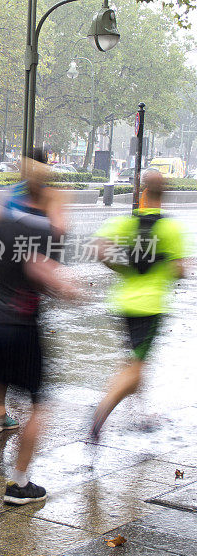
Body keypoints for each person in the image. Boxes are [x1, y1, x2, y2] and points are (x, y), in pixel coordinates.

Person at [0, 148, 78, 505]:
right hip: (24, 324)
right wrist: (71, 290)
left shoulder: (4, 212)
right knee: (40, 406)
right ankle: (19, 482)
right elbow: (48, 272)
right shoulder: (47, 230)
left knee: (1, 380)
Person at [90, 169, 187, 439]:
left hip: (123, 304)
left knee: (135, 362)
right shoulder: (171, 228)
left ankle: (140, 414)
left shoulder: (126, 223)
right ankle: (102, 410)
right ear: (164, 194)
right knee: (136, 367)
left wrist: (122, 268)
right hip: (151, 307)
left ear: (142, 192)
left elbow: (99, 249)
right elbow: (179, 270)